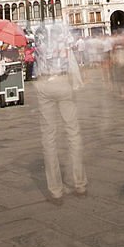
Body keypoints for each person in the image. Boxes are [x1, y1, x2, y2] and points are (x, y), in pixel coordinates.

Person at [34, 22, 87, 204]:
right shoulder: (63, 42)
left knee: (48, 137)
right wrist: (77, 83)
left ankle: (55, 190)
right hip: (63, 82)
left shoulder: (38, 43)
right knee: (73, 132)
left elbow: (34, 66)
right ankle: (79, 182)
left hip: (44, 84)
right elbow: (72, 62)